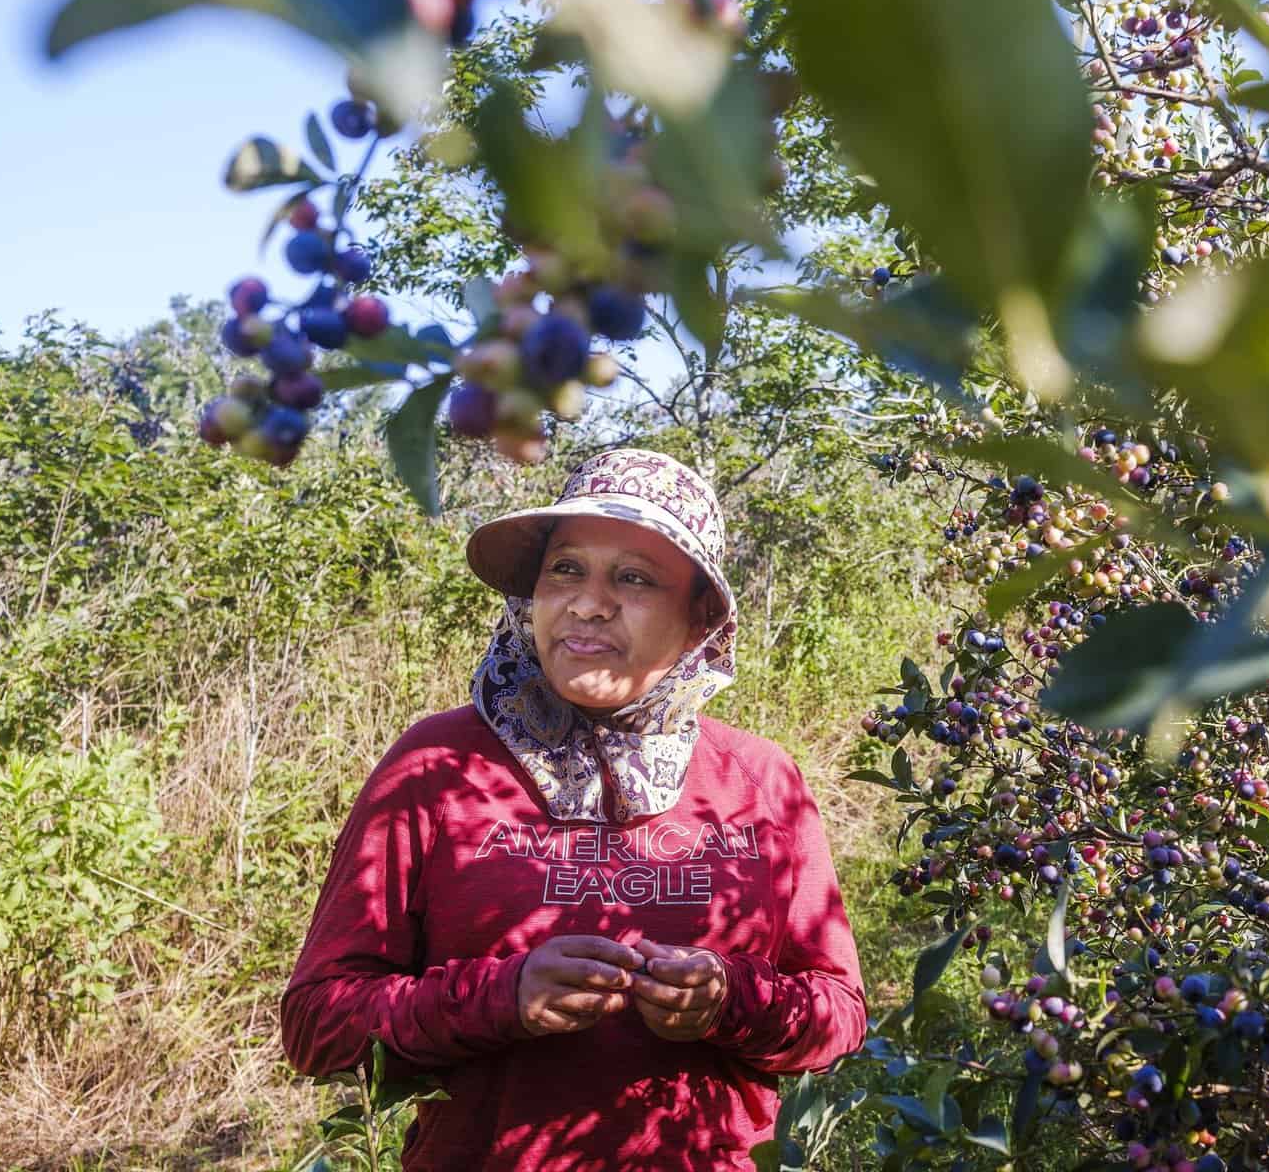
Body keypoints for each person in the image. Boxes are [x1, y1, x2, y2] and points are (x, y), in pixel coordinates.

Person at [281, 448, 868, 1171]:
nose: (589, 602)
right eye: (566, 569)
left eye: (634, 577)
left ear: (700, 620)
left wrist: (728, 1000)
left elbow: (838, 1016)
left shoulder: (759, 780)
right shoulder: (436, 766)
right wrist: (500, 997)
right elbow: (317, 1023)